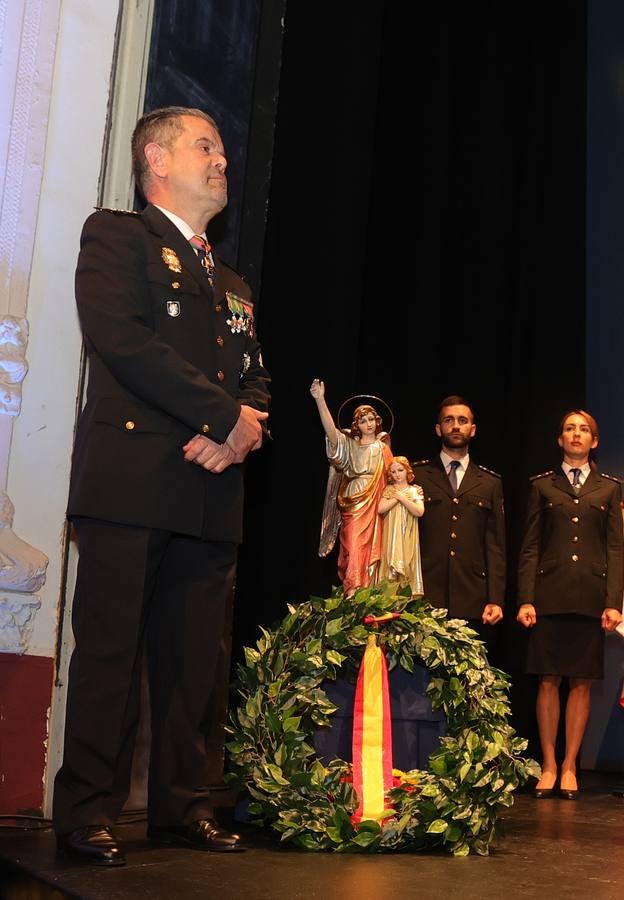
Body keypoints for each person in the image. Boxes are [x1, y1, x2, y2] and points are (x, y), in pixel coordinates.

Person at [53, 107, 270, 865]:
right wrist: (223, 418)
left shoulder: (234, 282)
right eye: (205, 146)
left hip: (210, 495)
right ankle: (86, 810)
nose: (221, 160)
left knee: (193, 666)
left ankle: (183, 808)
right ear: (157, 158)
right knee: (111, 654)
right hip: (132, 480)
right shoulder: (117, 237)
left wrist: (246, 428)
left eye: (221, 148)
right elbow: (123, 341)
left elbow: (256, 380)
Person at [516, 410, 623, 798]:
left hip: (590, 598)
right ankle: (547, 764)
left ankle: (569, 765)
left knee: (580, 683)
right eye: (569, 429)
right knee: (548, 680)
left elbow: (614, 548)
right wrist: (526, 598)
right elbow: (530, 546)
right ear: (560, 439)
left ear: (594, 441)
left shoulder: (609, 488)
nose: (576, 434)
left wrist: (613, 602)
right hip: (549, 597)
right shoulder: (543, 486)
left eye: (584, 430)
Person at [412, 396, 505, 641]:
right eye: (449, 420)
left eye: (462, 421)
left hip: (472, 596)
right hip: (425, 594)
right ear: (438, 428)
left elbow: (495, 546)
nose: (455, 426)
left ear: (472, 430)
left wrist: (495, 599)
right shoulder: (416, 475)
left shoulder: (489, 482)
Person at [311, 379, 393, 596]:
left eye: (371, 419)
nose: (368, 423)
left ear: (377, 422)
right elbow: (332, 433)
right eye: (363, 420)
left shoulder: (383, 448)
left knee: (374, 550)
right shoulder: (350, 446)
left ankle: (368, 594)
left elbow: (394, 478)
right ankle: (352, 593)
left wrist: (408, 494)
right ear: (357, 424)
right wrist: (320, 400)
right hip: (354, 504)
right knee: (353, 546)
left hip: (377, 506)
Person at [378, 456, 425, 596]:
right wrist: (395, 498)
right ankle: (388, 597)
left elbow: (419, 511)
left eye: (400, 470)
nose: (397, 474)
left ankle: (406, 597)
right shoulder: (388, 490)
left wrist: (402, 498)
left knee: (407, 561)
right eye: (393, 472)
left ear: (407, 471)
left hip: (408, 534)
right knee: (390, 561)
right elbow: (380, 509)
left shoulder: (414, 491)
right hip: (391, 534)